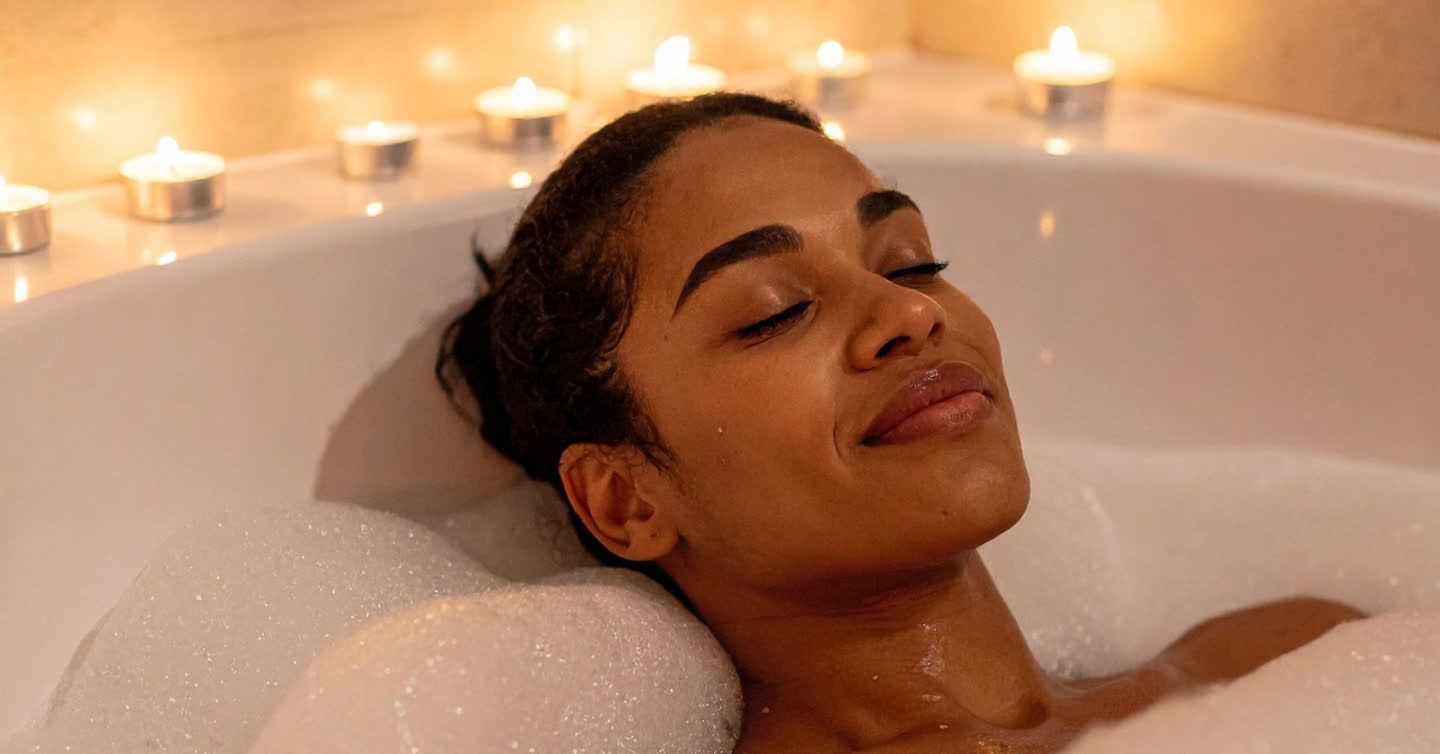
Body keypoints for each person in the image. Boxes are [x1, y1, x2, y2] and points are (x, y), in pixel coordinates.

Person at [436, 92, 1366, 753]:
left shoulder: (1299, 661)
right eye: (773, 312)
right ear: (626, 499)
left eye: (912, 261)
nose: (910, 314)